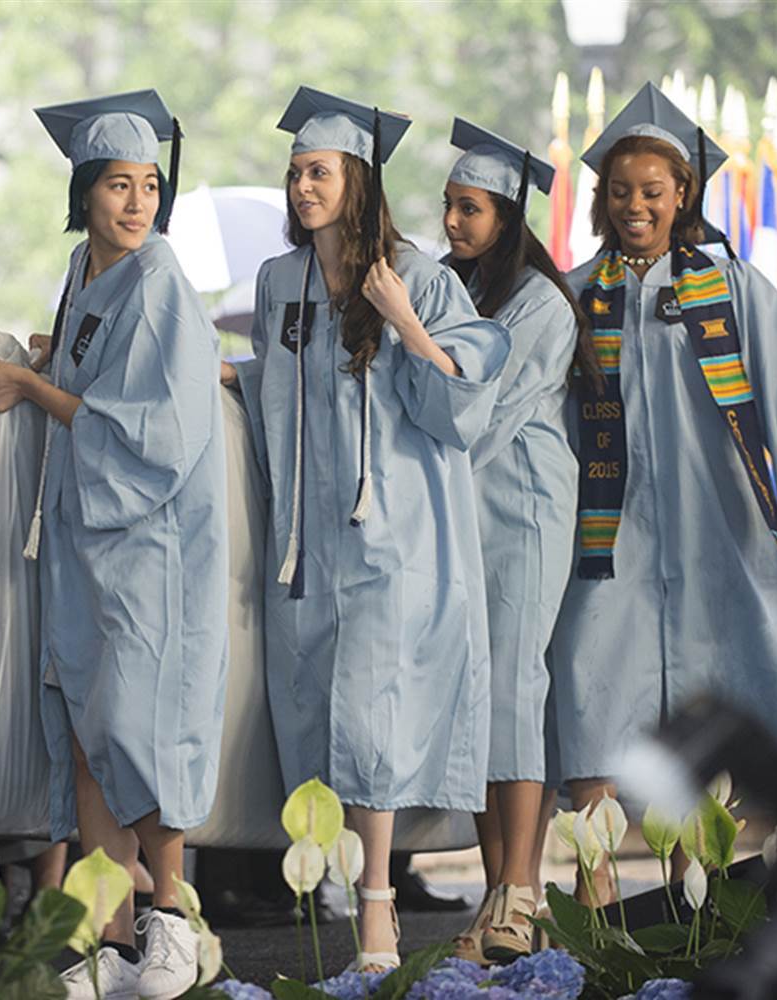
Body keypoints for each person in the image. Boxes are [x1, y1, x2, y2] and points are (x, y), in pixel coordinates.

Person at [224, 85, 509, 972]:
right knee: (318, 717)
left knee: (375, 717)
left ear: (357, 180)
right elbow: (273, 386)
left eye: (321, 171)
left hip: (398, 536)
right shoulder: (278, 282)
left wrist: (404, 322)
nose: (304, 186)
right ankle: (341, 891)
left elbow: (462, 402)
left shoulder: (415, 274)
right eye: (296, 172)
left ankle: (378, 908)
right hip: (306, 543)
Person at [550, 83, 777, 902]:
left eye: (651, 191)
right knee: (589, 676)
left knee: (737, 676)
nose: (634, 206)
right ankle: (594, 886)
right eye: (619, 192)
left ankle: (726, 878)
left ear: (682, 193)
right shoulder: (578, 293)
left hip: (716, 516)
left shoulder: (729, 286)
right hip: (608, 527)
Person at [0, 89, 228, 1000]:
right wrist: (48, 361)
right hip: (89, 544)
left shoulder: (159, 278)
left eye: (149, 185)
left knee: (142, 730)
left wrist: (32, 389)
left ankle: (170, 920)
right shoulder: (88, 271)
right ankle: (104, 938)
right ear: (83, 192)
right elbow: (98, 375)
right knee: (88, 733)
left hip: (149, 547)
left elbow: (150, 434)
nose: (136, 204)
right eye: (117, 185)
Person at [438, 119, 600, 963]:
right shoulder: (443, 288)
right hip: (459, 503)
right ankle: (492, 894)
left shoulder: (540, 300)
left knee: (513, 685)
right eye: (449, 206)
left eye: (470, 208)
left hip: (523, 503)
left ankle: (525, 888)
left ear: (507, 215)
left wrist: (427, 461)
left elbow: (491, 416)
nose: (455, 222)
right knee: (472, 690)